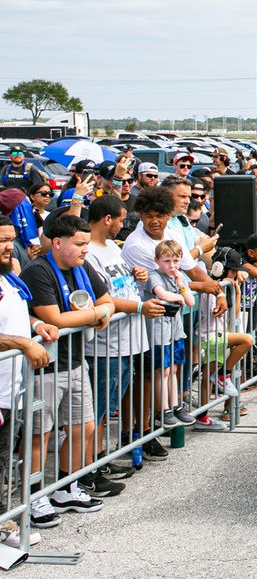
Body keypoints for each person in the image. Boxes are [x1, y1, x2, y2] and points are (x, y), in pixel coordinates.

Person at [21, 214, 117, 526]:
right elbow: (56, 319)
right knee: (40, 434)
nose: (85, 250)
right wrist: (96, 314)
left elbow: (108, 301)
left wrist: (100, 310)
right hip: (46, 368)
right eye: (79, 244)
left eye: (87, 244)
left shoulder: (82, 266)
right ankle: (34, 498)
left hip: (76, 361)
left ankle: (67, 487)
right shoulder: (38, 271)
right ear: (59, 243)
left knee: (83, 428)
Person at [84, 196, 159, 489]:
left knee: (108, 405)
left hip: (128, 341)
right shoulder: (88, 253)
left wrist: (136, 277)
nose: (121, 225)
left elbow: (120, 287)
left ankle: (99, 457)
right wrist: (139, 307)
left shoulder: (112, 249)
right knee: (98, 409)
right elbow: (101, 298)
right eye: (119, 219)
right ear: (107, 219)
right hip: (106, 345)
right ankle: (89, 467)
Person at [0, 216, 58, 537]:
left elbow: (16, 314)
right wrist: (23, 343)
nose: (9, 247)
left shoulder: (8, 276)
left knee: (5, 459)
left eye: (10, 240)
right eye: (1, 241)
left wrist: (36, 326)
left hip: (12, 387)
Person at [144, 239, 196, 430]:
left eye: (175, 261)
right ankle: (164, 410)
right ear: (157, 260)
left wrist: (181, 284)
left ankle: (176, 406)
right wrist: (179, 297)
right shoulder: (154, 276)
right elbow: (162, 294)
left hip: (175, 331)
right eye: (167, 261)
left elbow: (190, 301)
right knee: (163, 371)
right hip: (158, 332)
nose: (172, 266)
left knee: (173, 369)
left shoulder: (179, 276)